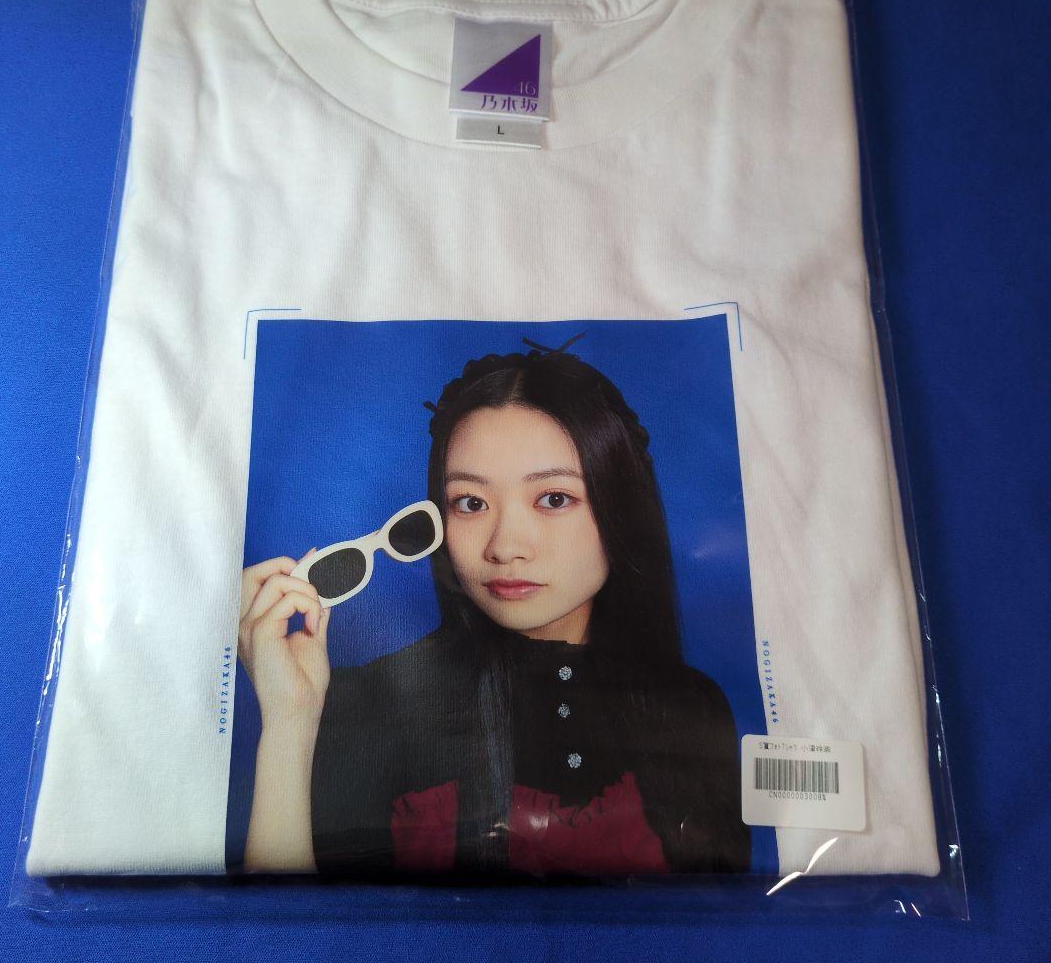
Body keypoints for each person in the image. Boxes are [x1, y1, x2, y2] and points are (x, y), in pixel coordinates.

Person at [237, 336, 751, 879]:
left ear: (620, 507)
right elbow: (292, 924)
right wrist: (290, 723)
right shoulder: (367, 706)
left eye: (554, 499)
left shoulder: (691, 710)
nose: (505, 547)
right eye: (471, 502)